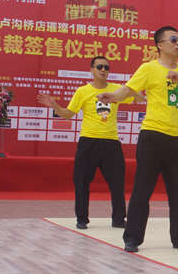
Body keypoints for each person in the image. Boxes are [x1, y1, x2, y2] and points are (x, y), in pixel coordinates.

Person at [97, 26, 178, 252]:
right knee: (142, 190)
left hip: (175, 140)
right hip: (152, 137)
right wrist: (112, 96)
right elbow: (127, 90)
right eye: (173, 40)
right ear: (160, 45)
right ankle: (132, 238)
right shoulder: (148, 68)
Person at [37, 56, 140, 230]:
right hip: (88, 142)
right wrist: (55, 106)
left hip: (111, 142)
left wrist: (132, 90)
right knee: (82, 181)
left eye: (106, 67)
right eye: (99, 67)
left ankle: (118, 219)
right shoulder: (82, 91)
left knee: (117, 183)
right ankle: (82, 218)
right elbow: (68, 114)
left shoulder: (116, 90)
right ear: (91, 70)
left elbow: (138, 98)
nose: (103, 70)